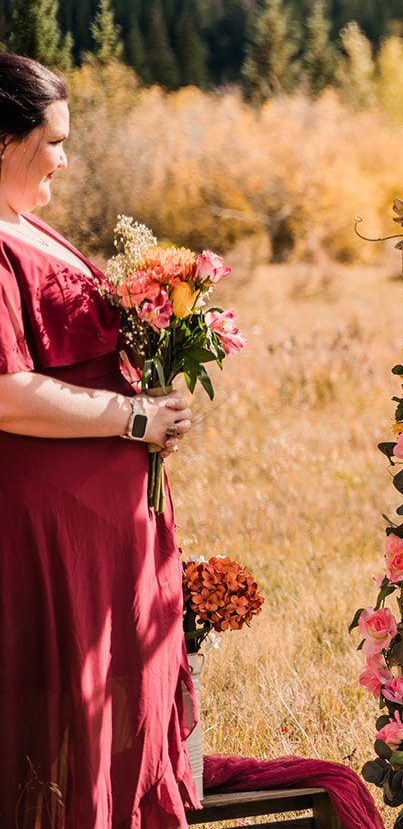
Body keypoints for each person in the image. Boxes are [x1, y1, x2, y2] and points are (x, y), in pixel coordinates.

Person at [0, 54, 197, 826]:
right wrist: (132, 418)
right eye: (53, 140)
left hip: (103, 522)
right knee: (65, 707)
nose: (66, 157)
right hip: (54, 531)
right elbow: (7, 392)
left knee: (112, 701)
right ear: (4, 140)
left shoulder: (25, 223)